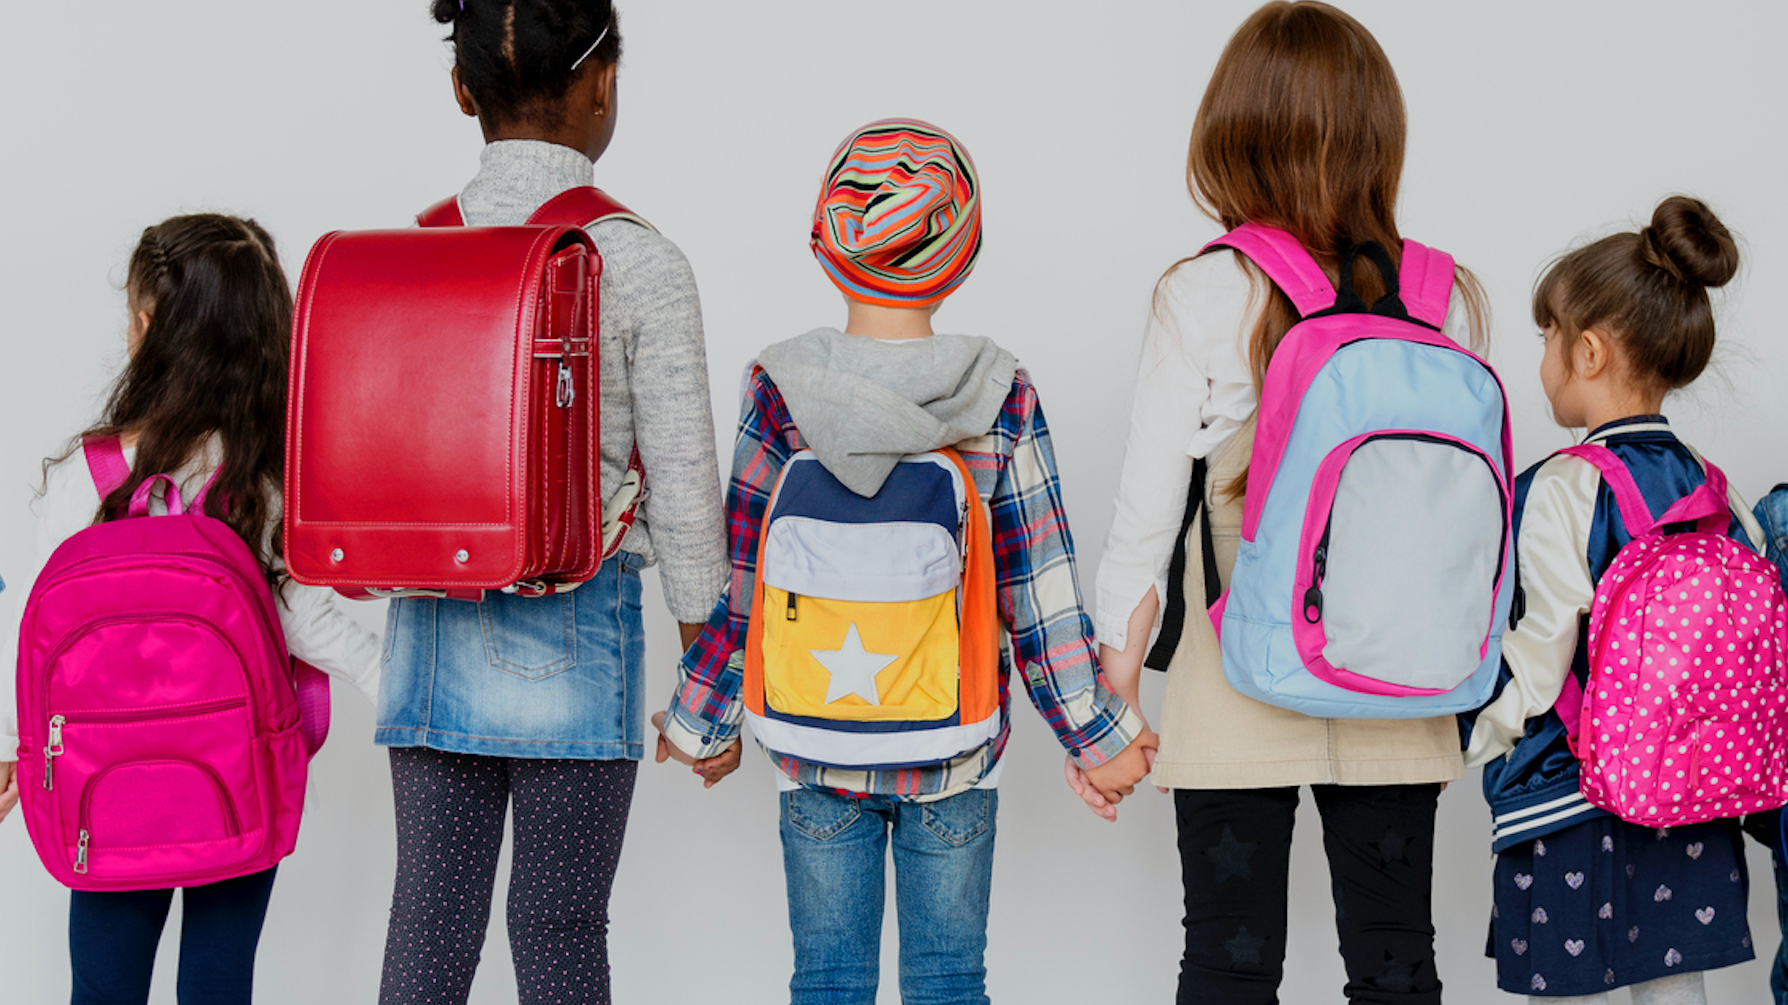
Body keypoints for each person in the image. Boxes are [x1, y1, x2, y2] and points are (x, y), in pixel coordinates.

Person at [654, 117, 1154, 1005]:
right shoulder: (998, 387)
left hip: (813, 750)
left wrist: (702, 723)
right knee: (951, 981)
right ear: (964, 258)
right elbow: (1037, 592)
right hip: (954, 751)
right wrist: (1098, 736)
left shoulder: (778, 386)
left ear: (824, 246)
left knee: (828, 980)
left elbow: (743, 585)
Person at [1081, 4, 1492, 1002]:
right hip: (1404, 665)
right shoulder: (1448, 295)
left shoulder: (1202, 293)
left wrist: (1113, 706)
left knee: (1226, 956)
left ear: (1233, 135)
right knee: (1398, 958)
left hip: (1241, 655)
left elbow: (1145, 519)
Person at [373, 3, 730, 1004]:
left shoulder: (415, 252)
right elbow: (688, 495)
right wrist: (711, 686)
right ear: (602, 83)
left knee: (430, 919)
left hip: (431, 623)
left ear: (461, 89)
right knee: (561, 927)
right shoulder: (642, 263)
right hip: (578, 630)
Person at [0, 212, 383, 1005]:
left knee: (102, 989)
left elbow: (32, 633)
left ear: (146, 323)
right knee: (218, 985)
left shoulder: (89, 473)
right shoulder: (263, 476)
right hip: (239, 775)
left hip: (99, 783)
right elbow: (306, 622)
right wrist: (401, 690)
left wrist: (9, 744)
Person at [1462, 195, 1758, 1005]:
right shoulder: (1714, 491)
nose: (1544, 359)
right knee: (1674, 994)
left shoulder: (1562, 488)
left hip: (1569, 801)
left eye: (1546, 337)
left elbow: (1541, 651)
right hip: (1692, 799)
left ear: (1587, 351)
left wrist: (1467, 733)